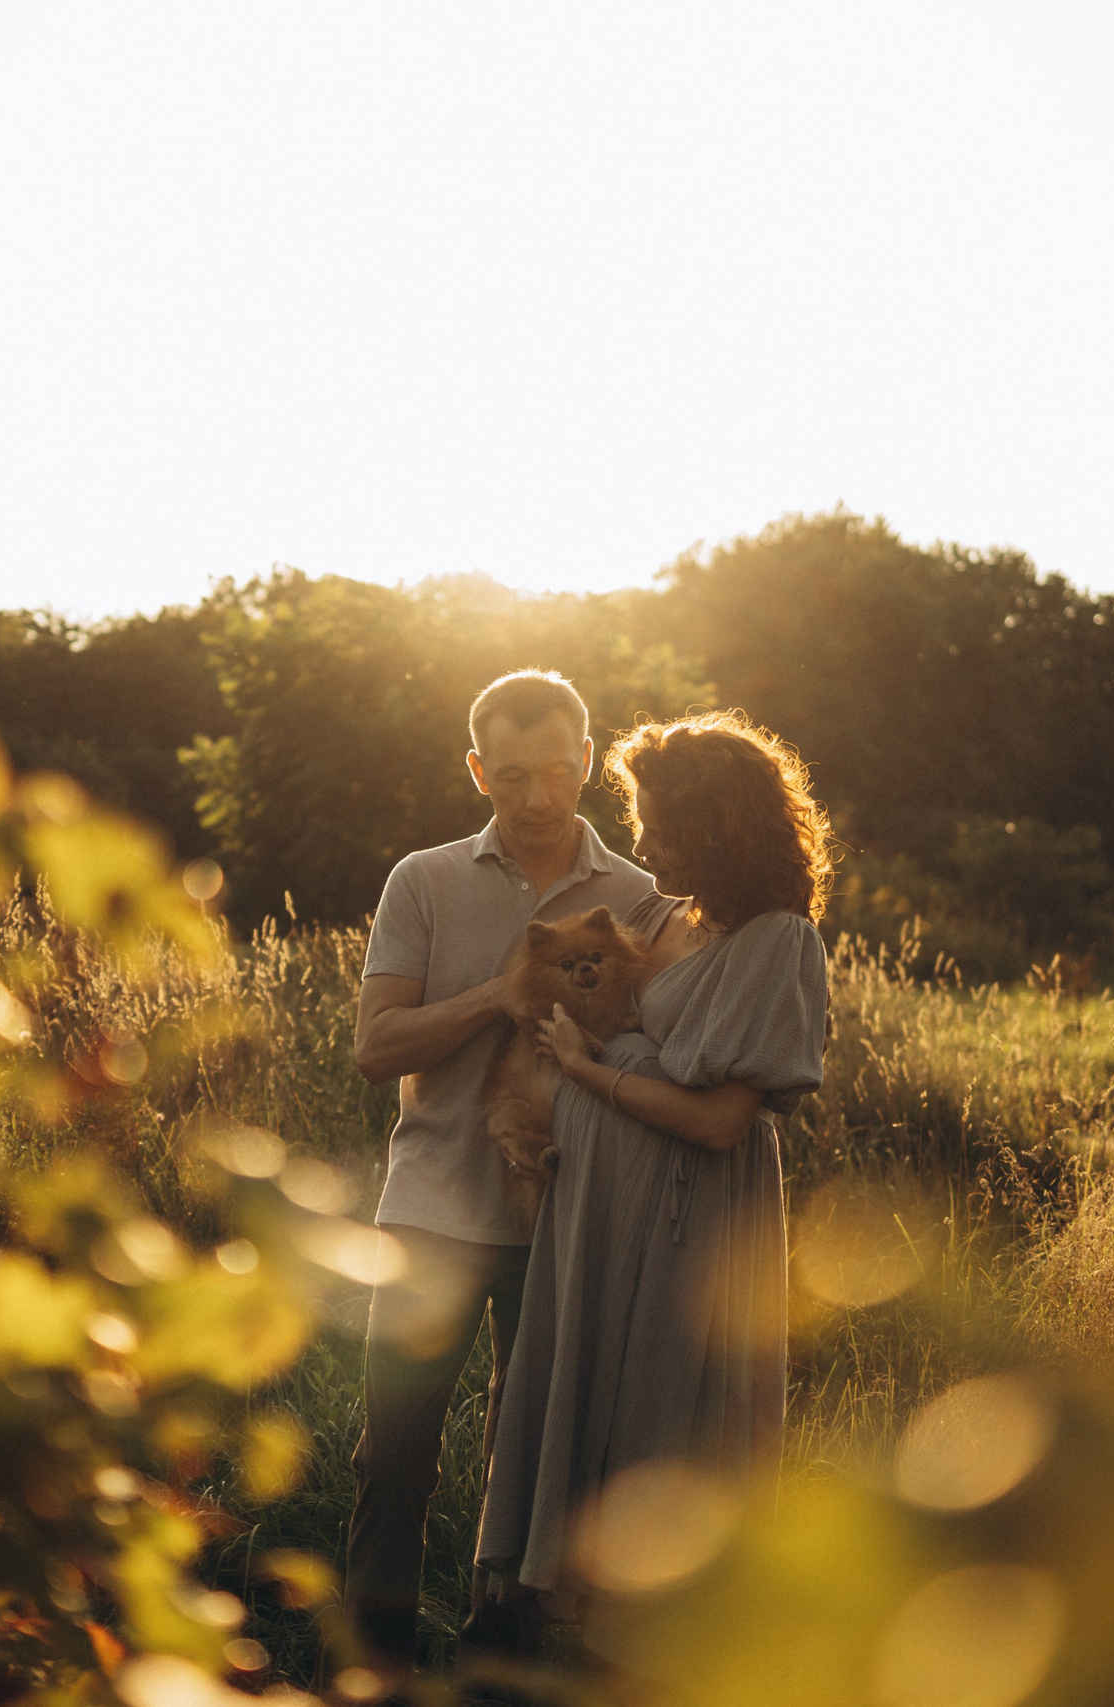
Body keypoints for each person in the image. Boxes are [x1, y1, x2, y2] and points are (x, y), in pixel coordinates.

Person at [473, 710, 833, 1639]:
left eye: (665, 825)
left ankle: (651, 1650)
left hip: (690, 1225)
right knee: (584, 1405)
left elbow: (719, 1121)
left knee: (663, 1418)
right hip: (593, 1216)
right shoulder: (658, 913)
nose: (645, 842)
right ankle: (558, 1641)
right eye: (641, 819)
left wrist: (587, 1071)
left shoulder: (775, 938)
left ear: (721, 830)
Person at [346, 669, 660, 1671]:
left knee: (536, 1462)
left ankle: (503, 1658)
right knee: (392, 1456)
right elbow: (376, 1047)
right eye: (510, 775)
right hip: (431, 1209)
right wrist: (499, 995)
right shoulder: (424, 880)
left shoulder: (640, 898)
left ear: (588, 761)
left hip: (569, 1215)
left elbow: (660, 1050)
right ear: (477, 770)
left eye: (557, 772)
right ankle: (372, 1663)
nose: (535, 798)